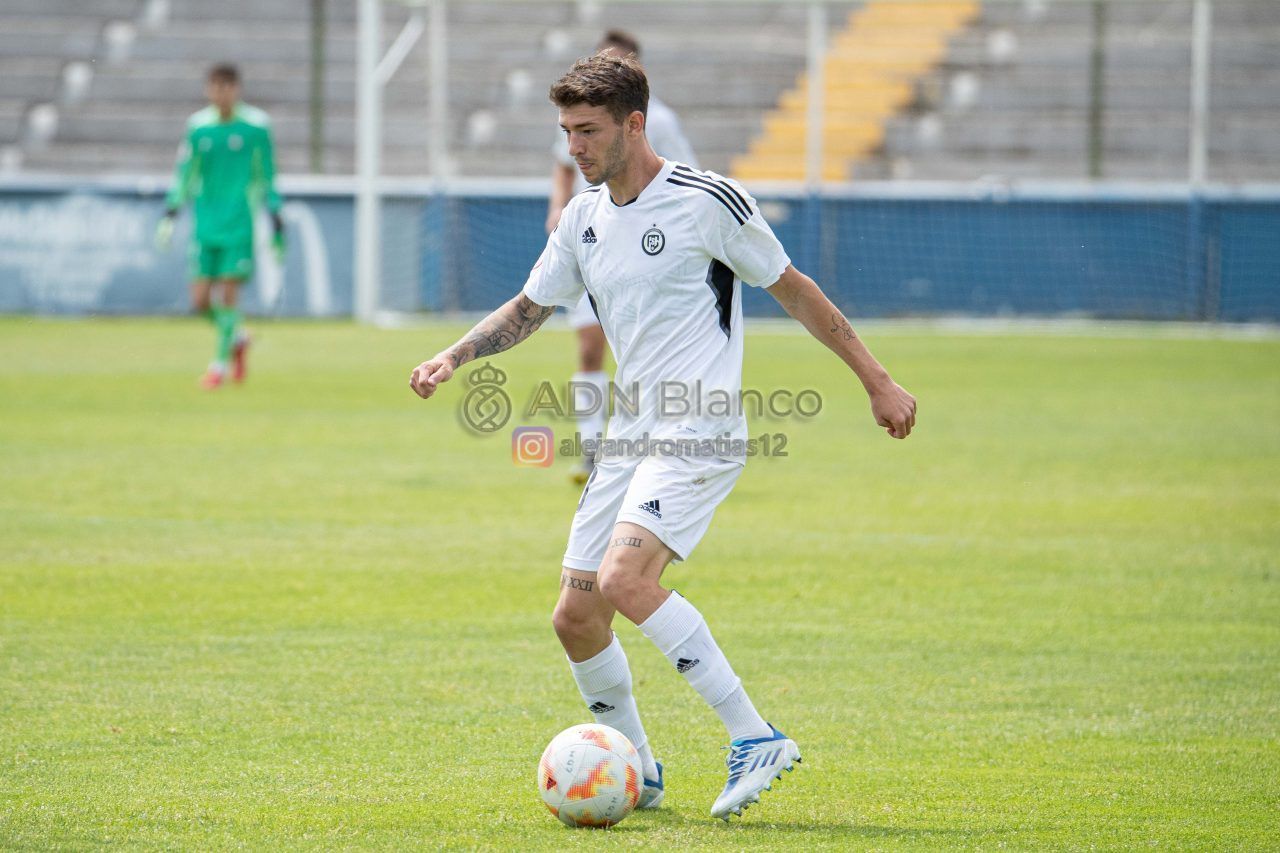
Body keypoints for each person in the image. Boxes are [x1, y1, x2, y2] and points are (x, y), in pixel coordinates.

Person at [410, 53, 916, 820]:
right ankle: (640, 769)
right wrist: (455, 354)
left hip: (699, 423)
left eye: (587, 131)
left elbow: (795, 291)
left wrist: (877, 380)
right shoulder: (582, 219)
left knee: (623, 579)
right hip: (630, 434)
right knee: (576, 617)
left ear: (635, 124)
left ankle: (755, 735)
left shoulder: (707, 201)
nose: (573, 147)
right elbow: (529, 306)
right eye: (566, 131)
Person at [544, 30, 698, 486]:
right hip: (591, 242)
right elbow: (562, 166)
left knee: (646, 353)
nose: (576, 143)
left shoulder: (659, 120)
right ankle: (591, 450)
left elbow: (684, 173)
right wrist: (558, 207)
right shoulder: (580, 116)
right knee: (589, 347)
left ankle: (659, 446)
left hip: (647, 251)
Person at [156, 63, 284, 389]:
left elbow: (267, 175)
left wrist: (275, 217)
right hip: (206, 224)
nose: (220, 93)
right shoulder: (198, 128)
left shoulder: (255, 127)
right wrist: (171, 212)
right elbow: (185, 173)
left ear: (236, 89)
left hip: (239, 224)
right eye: (215, 87)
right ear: (207, 89)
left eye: (226, 87)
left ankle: (218, 367)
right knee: (200, 301)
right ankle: (238, 337)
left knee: (228, 296)